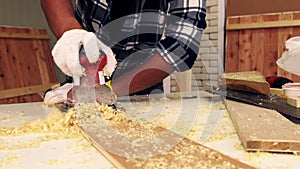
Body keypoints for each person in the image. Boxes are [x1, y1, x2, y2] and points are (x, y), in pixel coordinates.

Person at [41, 0, 207, 103]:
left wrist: (110, 90)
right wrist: (71, 33)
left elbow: (182, 45)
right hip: (84, 67)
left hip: (142, 77)